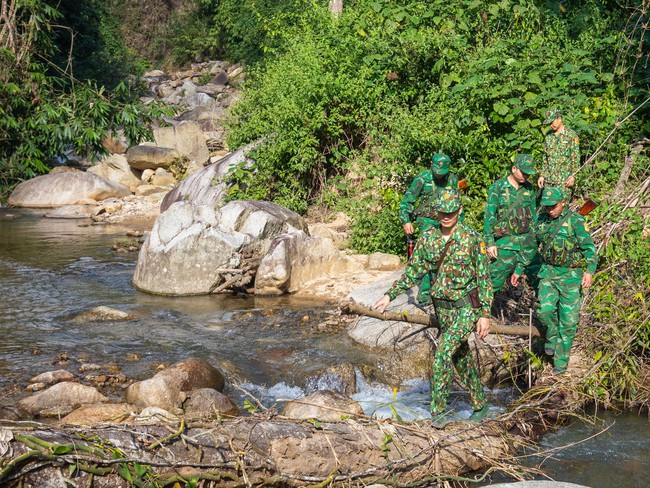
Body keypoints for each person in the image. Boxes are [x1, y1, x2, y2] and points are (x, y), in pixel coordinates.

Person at [375, 190, 493, 423]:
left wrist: (485, 314)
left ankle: (437, 413)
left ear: (459, 210)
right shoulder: (428, 238)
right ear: (436, 212)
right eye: (442, 212)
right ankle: (480, 405)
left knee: (442, 355)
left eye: (450, 212)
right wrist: (389, 296)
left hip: (465, 308)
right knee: (460, 357)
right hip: (443, 309)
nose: (446, 216)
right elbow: (413, 271)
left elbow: (484, 279)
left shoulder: (472, 238)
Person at [511, 187, 597, 374]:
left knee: (568, 321)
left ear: (563, 203)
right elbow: (528, 248)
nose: (550, 210)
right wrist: (518, 269)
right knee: (546, 310)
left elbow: (589, 248)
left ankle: (561, 362)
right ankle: (551, 337)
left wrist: (589, 271)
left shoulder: (575, 221)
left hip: (571, 276)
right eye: (547, 207)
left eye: (553, 206)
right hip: (548, 273)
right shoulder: (541, 222)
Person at [399, 153, 460, 304]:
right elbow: (407, 201)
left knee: (449, 253)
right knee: (431, 253)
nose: (439, 175)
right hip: (426, 221)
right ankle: (425, 294)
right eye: (437, 172)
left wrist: (460, 223)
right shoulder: (422, 179)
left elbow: (457, 203)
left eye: (442, 172)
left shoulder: (452, 179)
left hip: (446, 220)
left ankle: (445, 288)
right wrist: (406, 221)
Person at [484, 154, 539, 292]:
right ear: (514, 168)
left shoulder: (529, 189)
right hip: (505, 244)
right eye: (523, 172)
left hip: (526, 243)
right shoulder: (498, 187)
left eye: (528, 174)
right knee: (492, 284)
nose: (525, 176)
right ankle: (481, 312)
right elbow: (489, 215)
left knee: (541, 279)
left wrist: (534, 241)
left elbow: (532, 216)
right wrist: (490, 243)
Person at [537, 109, 580, 191]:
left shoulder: (571, 135)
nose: (551, 125)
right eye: (549, 123)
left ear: (559, 119)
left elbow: (575, 157)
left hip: (564, 181)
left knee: (562, 204)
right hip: (549, 181)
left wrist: (573, 176)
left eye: (552, 122)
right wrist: (542, 175)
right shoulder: (548, 135)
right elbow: (545, 157)